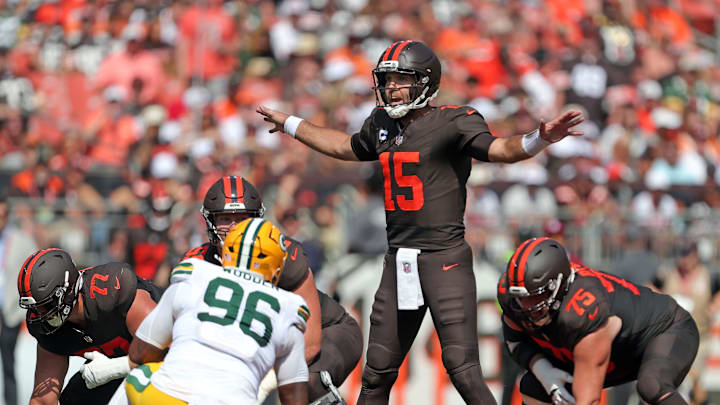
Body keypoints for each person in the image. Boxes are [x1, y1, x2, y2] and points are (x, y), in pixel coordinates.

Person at [257, 39, 584, 405]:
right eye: (388, 80)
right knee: (377, 373)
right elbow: (345, 146)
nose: (391, 88)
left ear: (426, 81)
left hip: (445, 258)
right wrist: (291, 124)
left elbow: (499, 150)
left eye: (401, 79)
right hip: (399, 261)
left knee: (463, 369)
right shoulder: (381, 123)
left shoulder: (454, 121)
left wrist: (540, 138)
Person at [179, 176, 362, 402]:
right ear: (211, 222)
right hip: (269, 344)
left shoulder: (283, 255)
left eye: (242, 219)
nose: (233, 228)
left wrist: (257, 379)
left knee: (299, 389)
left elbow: (311, 343)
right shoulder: (197, 264)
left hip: (326, 334)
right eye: (225, 219)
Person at [113, 218, 310, 405]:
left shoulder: (194, 274)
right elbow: (293, 397)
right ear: (276, 267)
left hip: (169, 396)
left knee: (140, 374)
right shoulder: (289, 308)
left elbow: (140, 353)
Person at [497, 237, 699, 405]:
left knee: (652, 385)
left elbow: (589, 401)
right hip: (617, 349)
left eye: (537, 296)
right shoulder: (510, 297)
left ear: (559, 285)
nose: (528, 306)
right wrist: (543, 371)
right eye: (522, 297)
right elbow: (516, 341)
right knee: (533, 387)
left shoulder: (581, 311)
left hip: (666, 329)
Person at [18, 248, 163, 405]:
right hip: (122, 363)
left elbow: (166, 350)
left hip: (167, 364)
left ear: (67, 291)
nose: (40, 315)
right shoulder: (48, 329)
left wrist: (115, 368)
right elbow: (43, 400)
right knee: (76, 398)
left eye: (45, 306)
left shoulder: (112, 292)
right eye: (35, 308)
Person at [0, 194, 38, 405]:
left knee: (8, 363)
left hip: (10, 312)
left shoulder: (21, 240)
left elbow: (35, 272)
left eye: (3, 216)